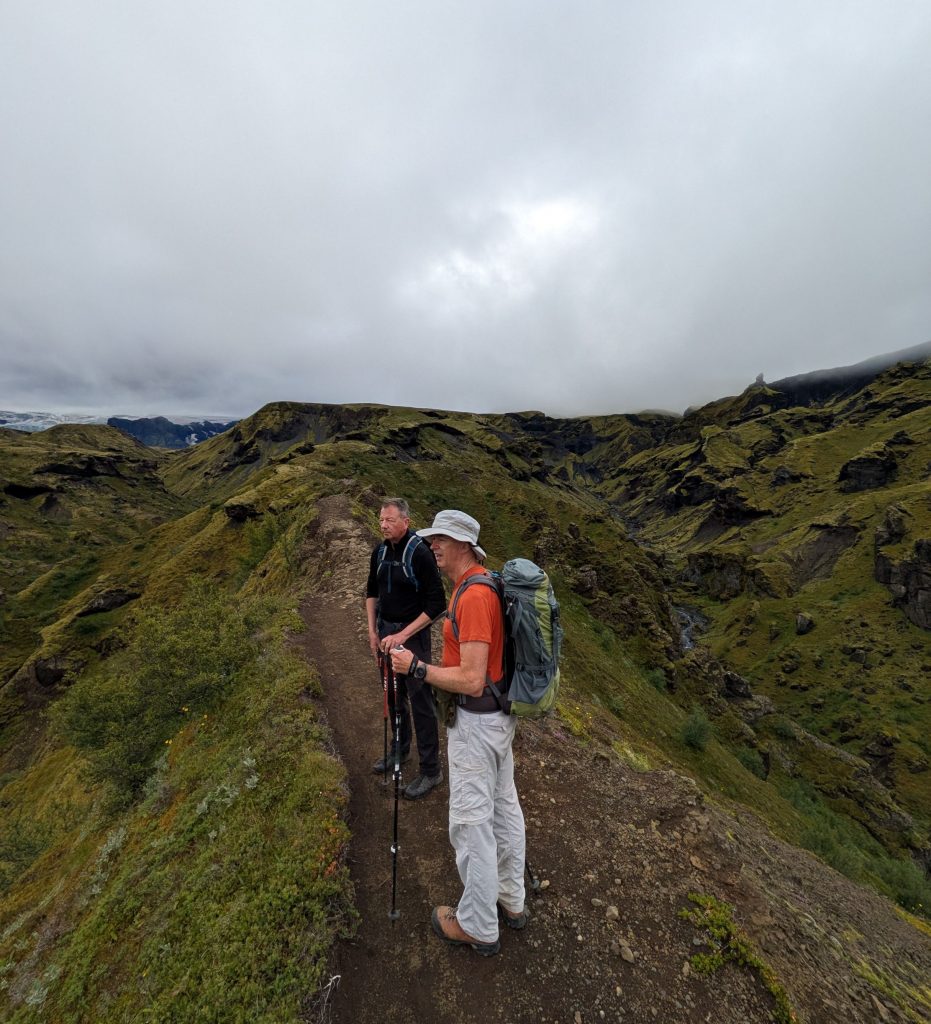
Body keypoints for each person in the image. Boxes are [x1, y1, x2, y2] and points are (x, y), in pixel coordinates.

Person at [391, 509, 527, 956]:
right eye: (431, 538)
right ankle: (511, 901)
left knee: (471, 824)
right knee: (504, 811)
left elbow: (470, 678)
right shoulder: (484, 585)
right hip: (498, 719)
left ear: (465, 545)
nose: (433, 546)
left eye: (441, 539)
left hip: (477, 723)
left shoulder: (472, 597)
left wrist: (416, 666)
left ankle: (477, 925)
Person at [365, 498, 446, 800]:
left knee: (421, 700)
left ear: (406, 522)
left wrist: (403, 635)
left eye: (389, 519)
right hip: (386, 634)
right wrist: (373, 631)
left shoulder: (420, 554)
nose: (383, 524)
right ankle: (399, 752)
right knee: (392, 696)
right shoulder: (380, 551)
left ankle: (431, 769)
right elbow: (372, 591)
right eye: (381, 519)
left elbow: (437, 603)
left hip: (412, 637)